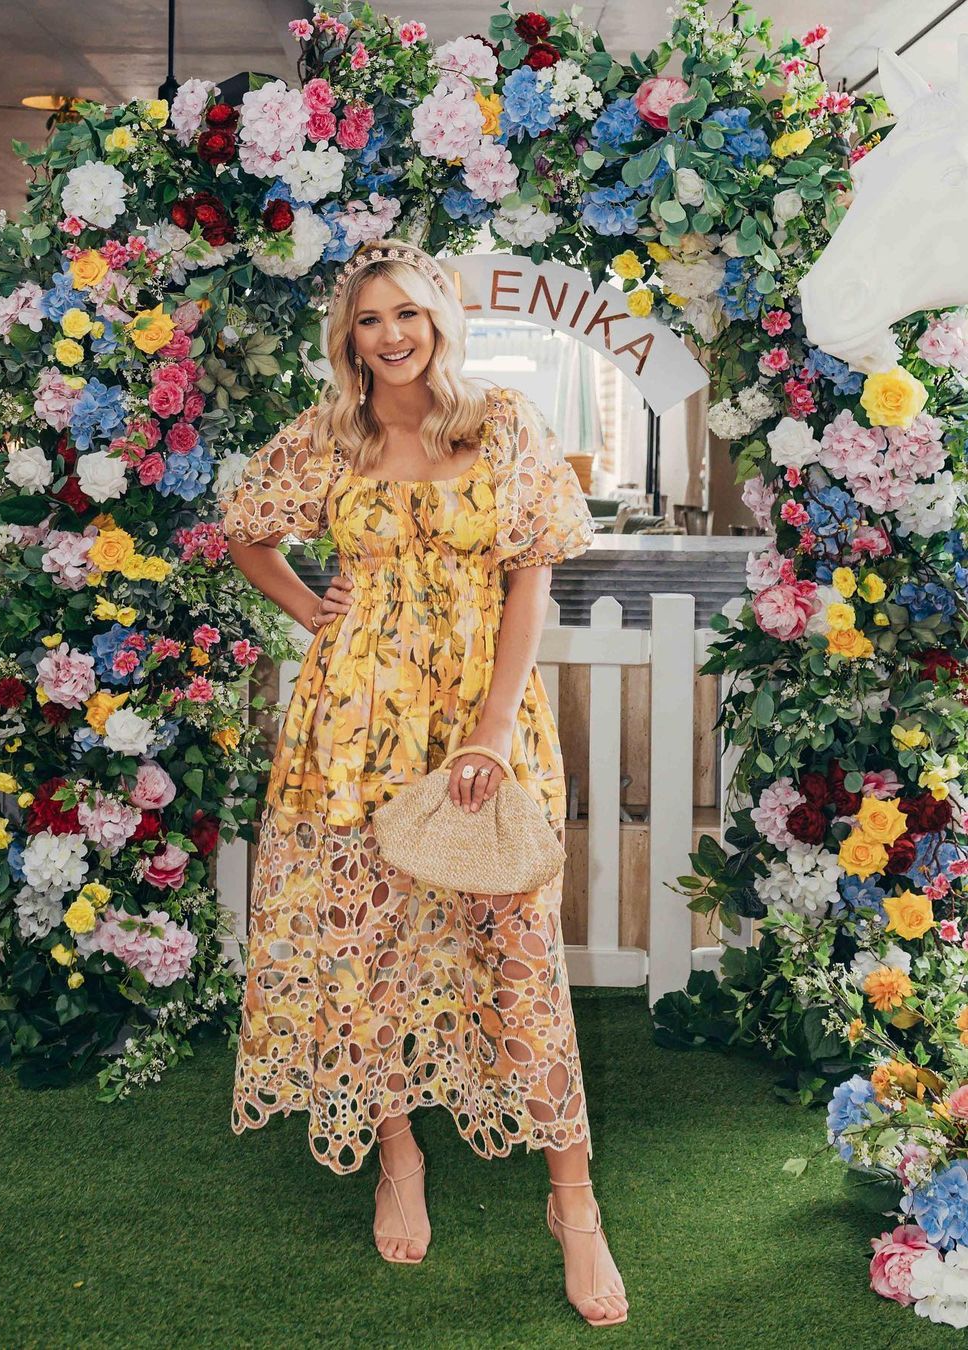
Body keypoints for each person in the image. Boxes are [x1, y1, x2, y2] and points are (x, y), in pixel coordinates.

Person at [218, 239, 628, 1327]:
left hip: (481, 719)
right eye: (369, 320)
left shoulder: (503, 423)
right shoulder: (329, 434)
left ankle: (574, 1203)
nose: (391, 335)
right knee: (367, 946)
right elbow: (245, 531)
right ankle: (397, 1154)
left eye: (407, 313)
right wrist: (308, 608)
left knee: (517, 951)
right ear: (348, 339)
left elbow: (532, 579)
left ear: (442, 320)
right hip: (351, 722)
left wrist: (491, 731)